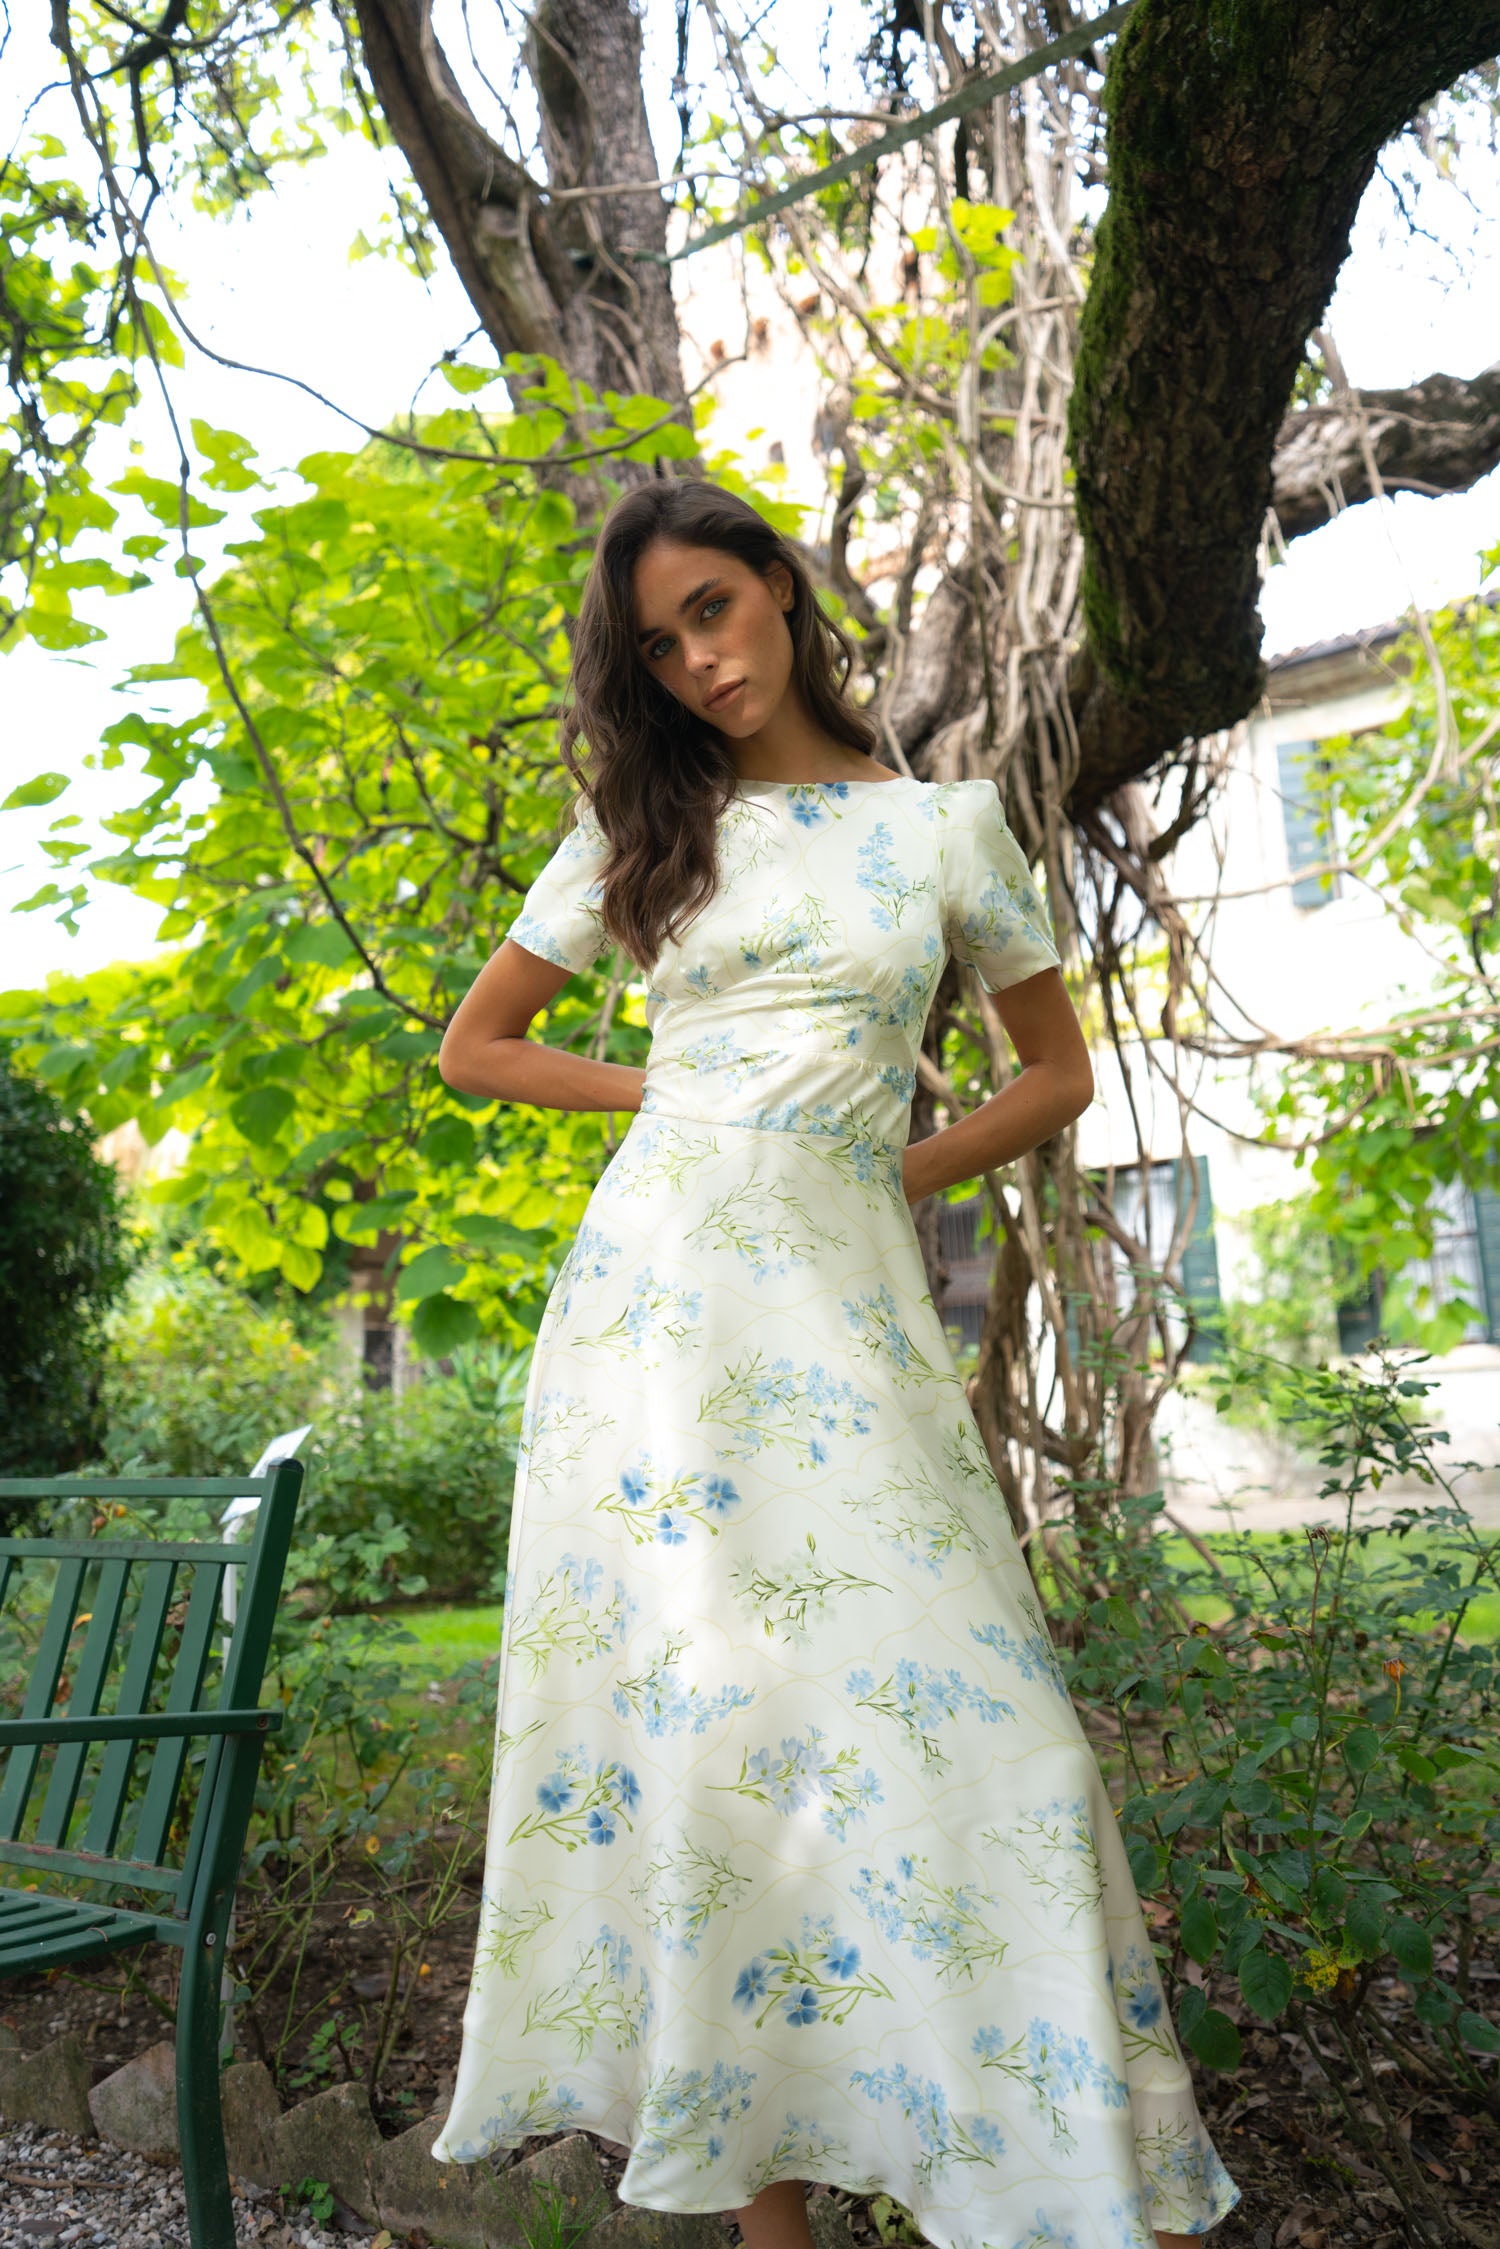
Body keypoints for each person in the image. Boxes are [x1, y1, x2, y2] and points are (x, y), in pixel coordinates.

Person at [432, 478, 1240, 2249]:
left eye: (712, 610)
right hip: (657, 1321)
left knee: (1007, 1747)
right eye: (660, 647)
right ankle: (770, 2220)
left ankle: (1083, 2184)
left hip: (846, 1304)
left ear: (781, 591)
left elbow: (1057, 1075)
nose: (699, 662)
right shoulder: (648, 827)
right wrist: (687, 1096)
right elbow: (477, 1047)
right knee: (719, 1746)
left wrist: (882, 1167)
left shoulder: (944, 828)